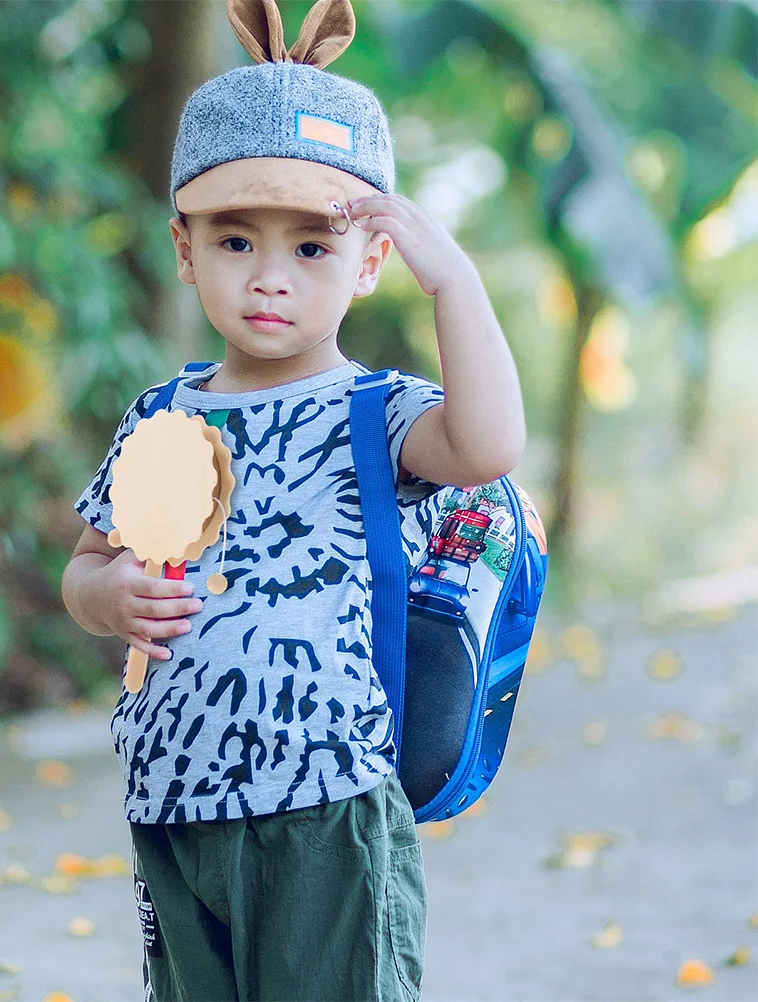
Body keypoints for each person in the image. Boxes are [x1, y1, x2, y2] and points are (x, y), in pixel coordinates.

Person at [61, 1, 525, 999]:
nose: (270, 279)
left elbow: (488, 446)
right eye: (236, 241)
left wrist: (455, 284)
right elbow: (88, 568)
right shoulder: (162, 415)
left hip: (326, 803)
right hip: (173, 798)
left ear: (370, 262)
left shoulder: (380, 412)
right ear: (185, 249)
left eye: (312, 248)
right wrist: (109, 597)